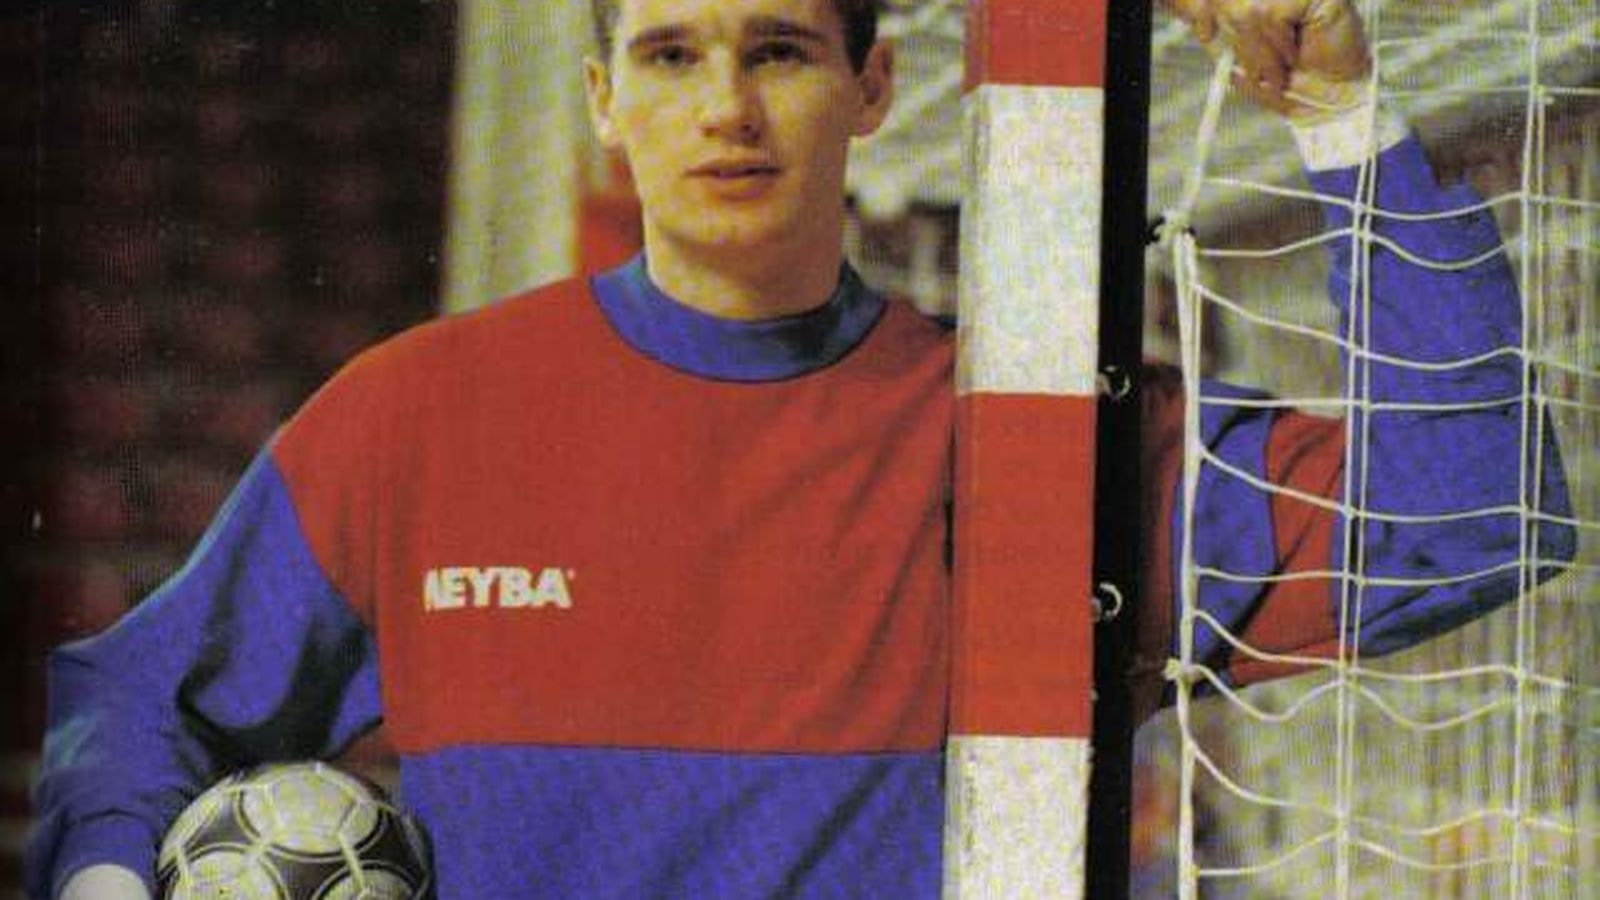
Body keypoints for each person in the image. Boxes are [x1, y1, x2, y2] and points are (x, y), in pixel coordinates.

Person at [25, 0, 1572, 898]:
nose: (726, 110)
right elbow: (131, 691)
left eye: (777, 49)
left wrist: (1338, 112)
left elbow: (1476, 511)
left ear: (877, 88)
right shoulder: (417, 416)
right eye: (672, 56)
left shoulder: (1034, 443)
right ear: (603, 96)